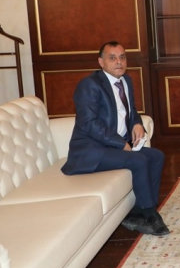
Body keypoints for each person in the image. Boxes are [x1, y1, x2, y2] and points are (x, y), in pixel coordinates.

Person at [61, 41, 169, 236]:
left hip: (112, 147)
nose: (119, 62)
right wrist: (121, 144)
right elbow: (89, 123)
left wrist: (137, 123)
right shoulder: (90, 85)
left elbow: (130, 110)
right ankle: (150, 214)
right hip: (92, 150)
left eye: (122, 57)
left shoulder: (125, 80)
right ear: (101, 62)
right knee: (138, 160)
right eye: (112, 58)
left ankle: (136, 212)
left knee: (157, 156)